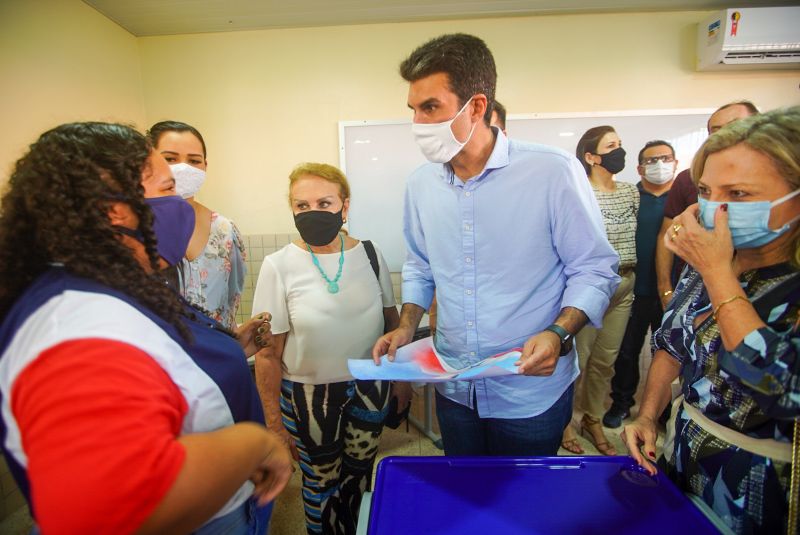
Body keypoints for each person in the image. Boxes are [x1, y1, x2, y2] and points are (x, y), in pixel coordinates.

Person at [0, 122, 292, 534]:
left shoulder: (110, 281)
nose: (181, 205)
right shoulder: (75, 324)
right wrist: (253, 444)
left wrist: (225, 348)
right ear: (115, 211)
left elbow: (152, 359)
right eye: (168, 189)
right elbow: (109, 505)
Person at [372, 33, 619, 457]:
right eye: (413, 110)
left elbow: (594, 268)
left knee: (523, 506)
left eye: (431, 107)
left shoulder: (550, 172)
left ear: (478, 107)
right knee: (468, 496)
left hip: (528, 391)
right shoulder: (421, 185)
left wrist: (559, 334)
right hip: (454, 386)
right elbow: (420, 264)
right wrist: (407, 326)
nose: (417, 123)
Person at [622, 106, 800, 534]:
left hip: (760, 487)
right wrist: (648, 415)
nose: (714, 210)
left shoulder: (731, 268)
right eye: (705, 190)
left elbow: (783, 388)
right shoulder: (709, 259)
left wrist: (719, 274)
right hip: (684, 459)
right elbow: (672, 344)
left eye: (737, 195)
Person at [252, 162, 409, 535]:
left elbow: (391, 323)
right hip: (309, 396)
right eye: (301, 206)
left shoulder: (370, 254)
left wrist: (402, 382)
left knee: (359, 476)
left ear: (345, 205)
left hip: (370, 387)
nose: (312, 212)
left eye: (324, 202)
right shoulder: (278, 266)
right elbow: (267, 354)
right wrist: (274, 424)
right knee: (322, 483)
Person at [559, 126, 638, 455]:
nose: (619, 151)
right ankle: (564, 423)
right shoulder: (578, 193)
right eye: (610, 146)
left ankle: (592, 419)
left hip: (626, 283)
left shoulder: (632, 191)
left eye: (620, 144)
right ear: (591, 157)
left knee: (605, 361)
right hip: (592, 286)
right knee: (579, 358)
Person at [602, 140, 677, 429]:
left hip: (670, 291)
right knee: (626, 351)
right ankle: (622, 403)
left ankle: (664, 409)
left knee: (668, 352)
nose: (658, 164)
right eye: (650, 160)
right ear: (639, 167)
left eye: (664, 158)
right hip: (634, 288)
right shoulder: (631, 197)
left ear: (675, 162)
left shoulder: (682, 199)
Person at [655, 101, 759, 309]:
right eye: (704, 191)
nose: (716, 201)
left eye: (737, 193)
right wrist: (666, 289)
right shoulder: (688, 179)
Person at [148, 121, 247, 330]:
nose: (184, 167)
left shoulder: (224, 231)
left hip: (216, 353)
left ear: (205, 166)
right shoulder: (136, 231)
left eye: (194, 161)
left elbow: (231, 302)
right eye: (170, 159)